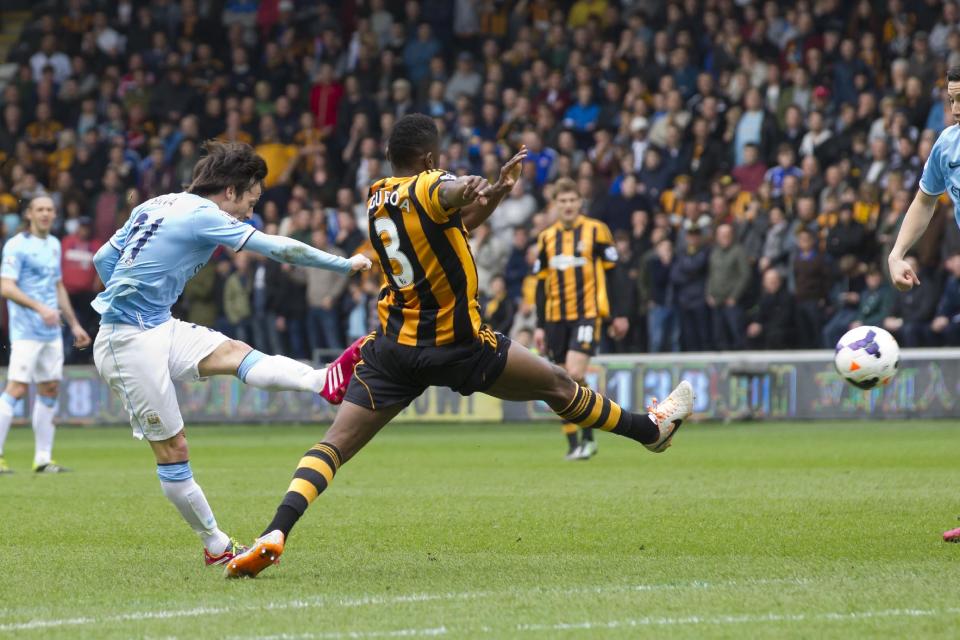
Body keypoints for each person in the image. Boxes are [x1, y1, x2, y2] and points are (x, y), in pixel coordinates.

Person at [225, 114, 694, 578]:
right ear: (429, 158)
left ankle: (274, 532)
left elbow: (454, 222)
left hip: (395, 349)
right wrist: (470, 183)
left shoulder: (375, 199)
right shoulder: (431, 184)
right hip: (458, 344)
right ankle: (649, 431)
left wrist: (494, 192)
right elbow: (448, 191)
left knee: (333, 445)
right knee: (556, 382)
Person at [90, 141, 373, 567]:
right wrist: (343, 265)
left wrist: (132, 298)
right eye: (251, 200)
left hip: (157, 325)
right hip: (127, 340)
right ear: (230, 191)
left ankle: (321, 380)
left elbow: (101, 258)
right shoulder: (205, 216)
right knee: (173, 449)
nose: (250, 212)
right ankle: (217, 546)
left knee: (236, 352)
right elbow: (279, 249)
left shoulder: (157, 202)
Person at [887, 66, 960, 543]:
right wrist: (895, 253)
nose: (956, 110)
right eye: (952, 99)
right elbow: (924, 201)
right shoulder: (948, 144)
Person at [532, 178, 628, 460]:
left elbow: (614, 273)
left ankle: (587, 437)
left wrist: (619, 314)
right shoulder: (547, 238)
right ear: (555, 204)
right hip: (554, 319)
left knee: (573, 374)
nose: (568, 205)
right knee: (559, 384)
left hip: (587, 314)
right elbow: (540, 284)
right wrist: (539, 325)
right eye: (563, 201)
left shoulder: (597, 231)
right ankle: (576, 442)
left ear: (580, 202)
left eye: (573, 200)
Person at [0, 196, 91, 474]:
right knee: (16, 388)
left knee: (50, 388)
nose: (45, 214)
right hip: (26, 330)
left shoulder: (53, 244)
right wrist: (40, 307)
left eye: (50, 209)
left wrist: (74, 324)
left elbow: (57, 285)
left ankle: (42, 459)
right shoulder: (17, 245)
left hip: (50, 331)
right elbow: (6, 287)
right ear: (28, 214)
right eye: (39, 209)